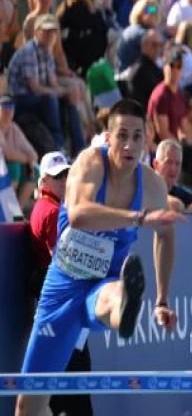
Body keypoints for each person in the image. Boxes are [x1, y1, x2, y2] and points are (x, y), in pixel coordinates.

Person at [16, 99, 185, 416]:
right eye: (122, 135)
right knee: (29, 405)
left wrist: (162, 298)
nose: (129, 145)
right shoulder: (90, 163)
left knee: (113, 295)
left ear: (146, 140)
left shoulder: (151, 185)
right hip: (63, 286)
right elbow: (79, 214)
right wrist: (137, 218)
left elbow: (166, 233)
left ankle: (126, 307)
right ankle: (123, 305)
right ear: (108, 138)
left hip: (102, 283)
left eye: (137, 136)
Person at [28, 151, 93, 416]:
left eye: (67, 174)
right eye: (58, 177)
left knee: (65, 387)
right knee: (75, 382)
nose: (65, 180)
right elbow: (67, 264)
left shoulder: (47, 208)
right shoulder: (53, 211)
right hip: (65, 306)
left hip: (58, 305)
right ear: (44, 182)